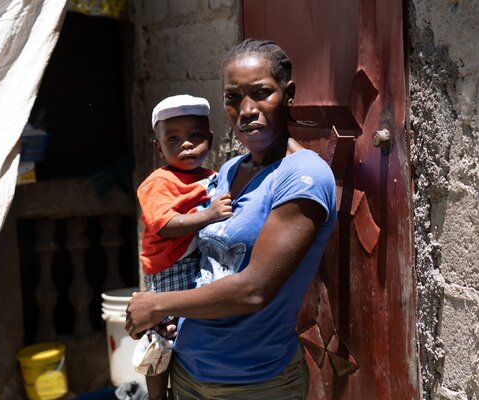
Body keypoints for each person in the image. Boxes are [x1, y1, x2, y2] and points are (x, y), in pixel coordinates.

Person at [126, 39, 337, 399]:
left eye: (261, 93)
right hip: (190, 371)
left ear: (289, 95)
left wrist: (158, 303)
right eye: (233, 97)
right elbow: (207, 266)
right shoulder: (227, 172)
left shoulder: (303, 176)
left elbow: (254, 290)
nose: (247, 109)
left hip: (253, 380)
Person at [136, 94, 233, 400]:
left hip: (193, 259)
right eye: (174, 139)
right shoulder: (158, 182)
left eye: (195, 136)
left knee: (189, 324)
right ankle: (156, 396)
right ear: (158, 146)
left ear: (210, 138)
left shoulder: (213, 177)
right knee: (163, 332)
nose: (187, 145)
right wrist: (208, 215)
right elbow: (163, 225)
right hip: (168, 265)